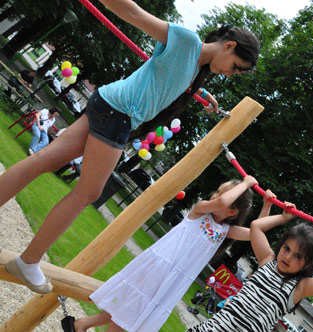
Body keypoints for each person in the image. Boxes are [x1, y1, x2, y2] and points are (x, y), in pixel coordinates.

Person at [1, 0, 260, 294]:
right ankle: (29, 260)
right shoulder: (187, 41)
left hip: (110, 102)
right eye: (236, 68)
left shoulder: (194, 65)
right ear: (229, 46)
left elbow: (168, 76)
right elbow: (134, 13)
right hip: (118, 114)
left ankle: (28, 260)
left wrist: (204, 94)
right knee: (88, 192)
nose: (230, 73)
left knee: (43, 161)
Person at [72, 177, 275, 332]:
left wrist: (268, 206)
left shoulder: (224, 231)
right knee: (133, 310)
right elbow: (222, 202)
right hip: (161, 265)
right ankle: (83, 324)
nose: (216, 196)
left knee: (133, 308)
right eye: (217, 192)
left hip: (173, 279)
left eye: (222, 194)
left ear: (232, 213)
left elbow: (256, 232)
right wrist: (245, 184)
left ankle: (82, 324)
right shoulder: (201, 210)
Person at [187, 198, 313, 332]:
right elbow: (256, 227)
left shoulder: (300, 287)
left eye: (298, 256)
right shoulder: (267, 260)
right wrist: (282, 217)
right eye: (286, 248)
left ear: (307, 264)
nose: (287, 257)